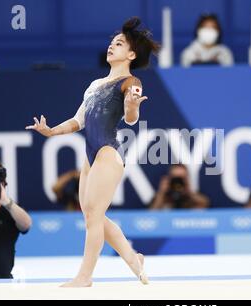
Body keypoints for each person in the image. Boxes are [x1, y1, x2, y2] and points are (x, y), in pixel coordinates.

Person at [26, 17, 159, 287]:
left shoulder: (130, 81)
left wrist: (133, 105)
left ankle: (84, 277)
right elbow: (79, 120)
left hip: (109, 152)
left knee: (95, 215)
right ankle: (135, 261)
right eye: (111, 43)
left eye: (119, 43)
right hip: (91, 154)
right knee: (92, 216)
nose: (112, 46)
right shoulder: (96, 84)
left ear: (131, 54)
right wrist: (51, 131)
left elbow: (132, 118)